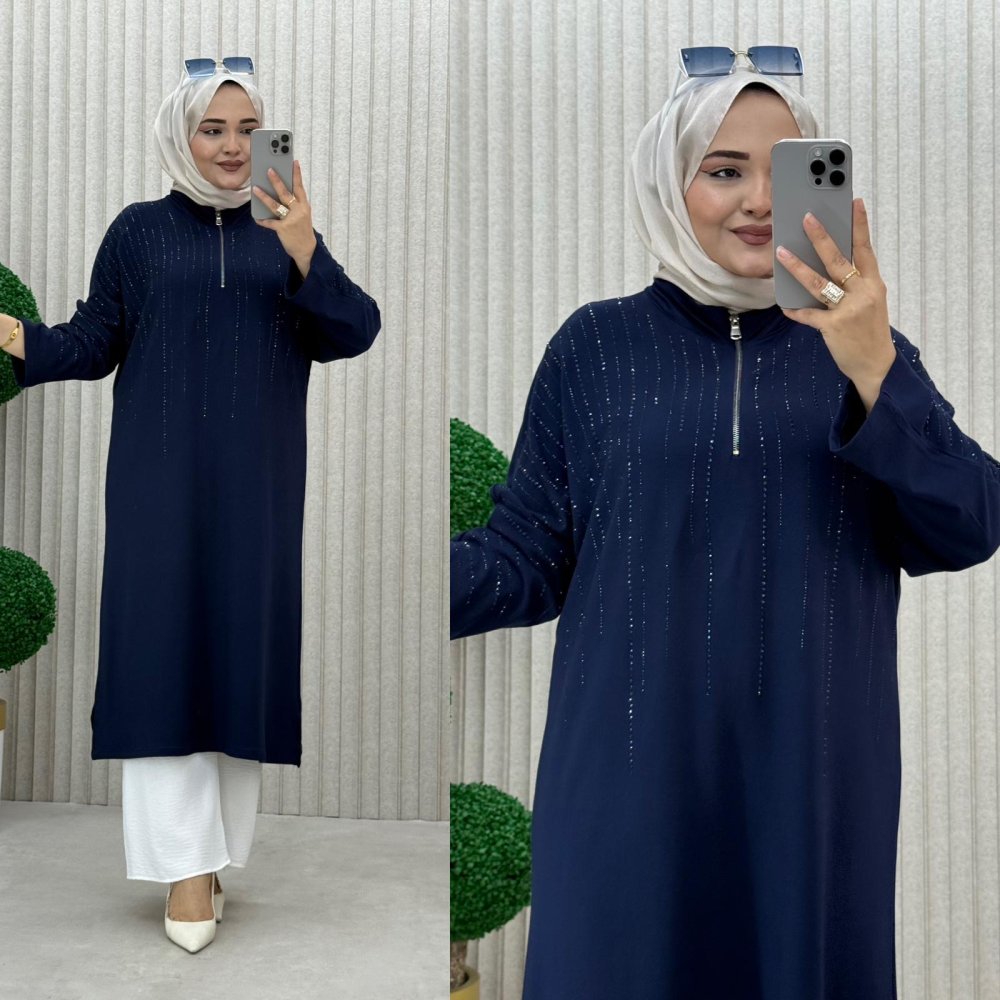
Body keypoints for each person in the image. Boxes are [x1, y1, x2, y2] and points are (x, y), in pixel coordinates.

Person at [450, 55, 1000, 999]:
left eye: (786, 169)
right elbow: (527, 559)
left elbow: (969, 523)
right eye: (723, 169)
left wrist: (875, 367)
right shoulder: (594, 347)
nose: (757, 200)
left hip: (812, 792)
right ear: (671, 183)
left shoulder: (866, 354)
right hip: (624, 780)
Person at [0, 59, 380, 953]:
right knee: (160, 650)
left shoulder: (284, 229)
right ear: (182, 136)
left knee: (237, 652)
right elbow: (95, 340)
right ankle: (184, 869)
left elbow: (354, 331)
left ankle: (212, 857)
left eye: (248, 129)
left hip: (259, 482)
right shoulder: (138, 231)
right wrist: (16, 336)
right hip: (156, 481)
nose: (233, 147)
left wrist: (304, 248)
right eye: (214, 129)